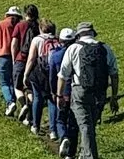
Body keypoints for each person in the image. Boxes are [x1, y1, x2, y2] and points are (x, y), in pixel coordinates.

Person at [58, 22, 120, 159]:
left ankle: (90, 156)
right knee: (90, 126)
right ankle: (84, 154)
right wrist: (114, 96)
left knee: (85, 126)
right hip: (100, 92)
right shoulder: (105, 48)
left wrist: (59, 96)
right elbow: (114, 74)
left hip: (80, 91)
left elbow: (63, 75)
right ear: (93, 33)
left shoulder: (73, 48)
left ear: (78, 35)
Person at [47, 28, 77, 156]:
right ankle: (71, 154)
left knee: (60, 120)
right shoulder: (77, 54)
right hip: (75, 91)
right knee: (73, 122)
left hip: (62, 92)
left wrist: (53, 92)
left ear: (60, 41)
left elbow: (52, 76)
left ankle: (63, 137)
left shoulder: (55, 55)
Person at [0, 6, 26, 115]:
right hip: (15, 56)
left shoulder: (0, 24)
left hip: (1, 55)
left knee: (4, 82)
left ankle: (10, 102)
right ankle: (16, 102)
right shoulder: (19, 26)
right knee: (13, 81)